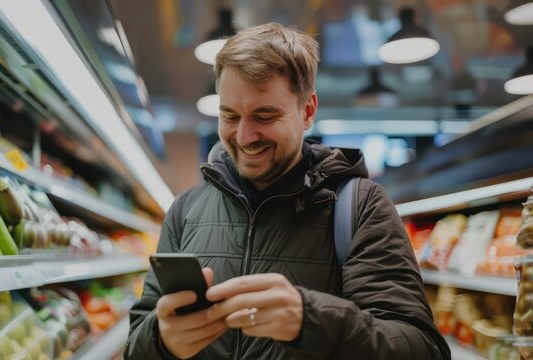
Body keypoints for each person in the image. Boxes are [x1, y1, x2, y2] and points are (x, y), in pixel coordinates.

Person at [124, 22, 450, 360]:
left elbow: (422, 349)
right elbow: (135, 346)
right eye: (230, 116)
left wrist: (311, 320)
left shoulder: (361, 207)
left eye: (264, 116)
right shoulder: (186, 210)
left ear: (307, 111)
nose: (245, 136)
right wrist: (162, 341)